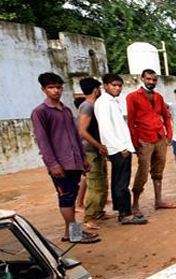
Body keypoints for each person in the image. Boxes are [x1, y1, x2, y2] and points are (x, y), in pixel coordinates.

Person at [31, 72, 98, 243]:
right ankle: (76, 234)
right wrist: (53, 164)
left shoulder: (67, 110)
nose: (56, 91)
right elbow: (43, 141)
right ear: (43, 90)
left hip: (74, 161)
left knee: (72, 197)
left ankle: (69, 234)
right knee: (66, 199)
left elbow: (76, 136)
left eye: (58, 87)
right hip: (60, 164)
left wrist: (83, 158)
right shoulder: (40, 112)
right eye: (51, 87)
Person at [96, 74, 147, 225]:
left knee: (120, 181)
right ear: (105, 86)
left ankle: (123, 211)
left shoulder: (113, 102)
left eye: (119, 85)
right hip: (118, 148)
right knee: (121, 183)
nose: (117, 88)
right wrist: (121, 147)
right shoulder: (103, 103)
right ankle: (126, 214)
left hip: (122, 146)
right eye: (114, 85)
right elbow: (106, 129)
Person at [126, 69, 175, 213]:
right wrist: (135, 142)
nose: (151, 82)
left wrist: (169, 134)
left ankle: (158, 201)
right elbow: (130, 121)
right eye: (148, 79)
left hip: (160, 137)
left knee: (158, 170)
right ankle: (135, 205)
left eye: (154, 80)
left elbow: (166, 116)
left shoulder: (159, 97)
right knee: (142, 171)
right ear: (142, 79)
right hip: (144, 139)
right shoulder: (132, 97)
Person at [77, 77, 109, 231]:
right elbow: (82, 131)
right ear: (96, 90)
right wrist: (99, 146)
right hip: (91, 151)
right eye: (100, 88)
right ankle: (89, 218)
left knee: (102, 182)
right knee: (95, 185)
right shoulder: (87, 107)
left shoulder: (93, 106)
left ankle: (99, 212)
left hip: (97, 150)